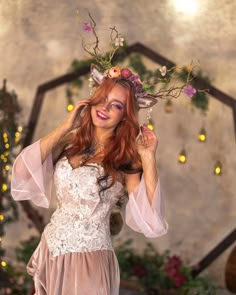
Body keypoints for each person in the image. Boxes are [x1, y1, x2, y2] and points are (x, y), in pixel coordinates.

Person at [11, 77, 168, 295]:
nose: (105, 107)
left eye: (116, 105)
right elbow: (21, 171)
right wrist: (67, 126)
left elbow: (151, 219)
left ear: (125, 115)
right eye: (102, 99)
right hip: (51, 252)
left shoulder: (126, 158)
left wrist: (149, 157)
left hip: (89, 261)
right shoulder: (70, 143)